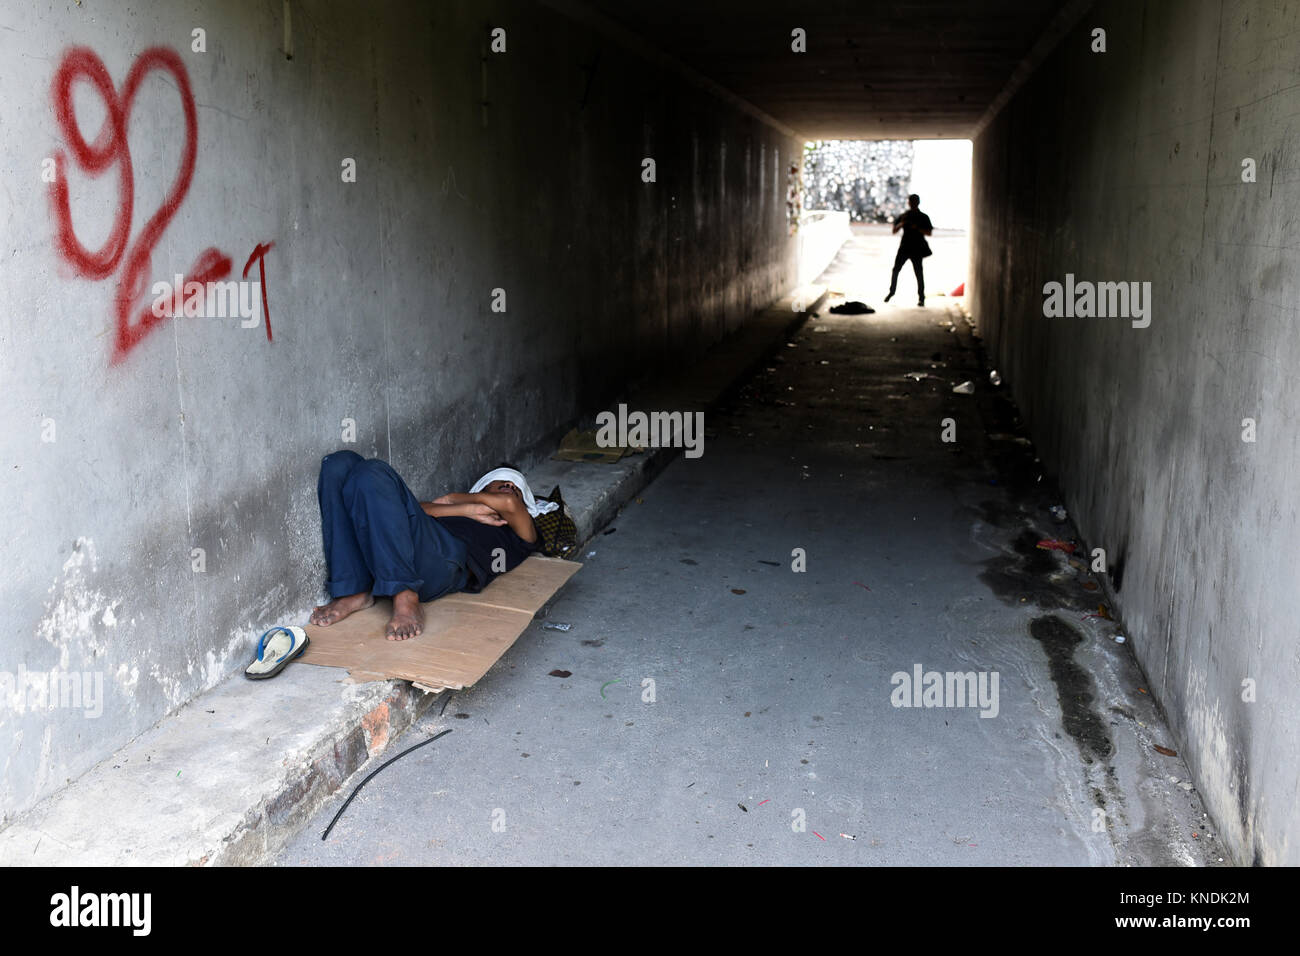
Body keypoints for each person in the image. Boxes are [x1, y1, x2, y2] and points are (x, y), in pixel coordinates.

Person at [308, 452, 554, 640]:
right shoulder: (464, 511)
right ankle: (354, 590)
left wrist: (454, 498)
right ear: (482, 488)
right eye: (501, 482)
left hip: (446, 560)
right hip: (407, 545)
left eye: (517, 488)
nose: (510, 487)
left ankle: (405, 596)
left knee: (372, 472)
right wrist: (467, 509)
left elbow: (510, 503)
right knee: (339, 463)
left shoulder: (520, 534)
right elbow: (409, 508)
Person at [884, 194, 933, 307]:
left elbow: (929, 233)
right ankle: (892, 292)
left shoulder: (923, 217)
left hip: (916, 248)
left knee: (918, 273)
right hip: (905, 247)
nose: (912, 204)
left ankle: (921, 297)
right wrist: (902, 224)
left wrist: (917, 228)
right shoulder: (904, 216)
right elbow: (894, 231)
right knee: (897, 270)